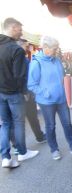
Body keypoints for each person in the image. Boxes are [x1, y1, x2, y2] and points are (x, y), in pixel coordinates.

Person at [27, 36, 72, 160]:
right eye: (54, 48)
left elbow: (62, 77)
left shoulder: (57, 60)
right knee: (50, 126)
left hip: (61, 99)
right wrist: (45, 92)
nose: (56, 50)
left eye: (57, 48)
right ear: (45, 48)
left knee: (67, 123)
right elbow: (31, 84)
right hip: (46, 101)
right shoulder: (36, 63)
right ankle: (54, 149)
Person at [0, 18, 39, 168]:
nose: (21, 32)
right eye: (20, 29)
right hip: (14, 93)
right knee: (18, 122)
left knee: (5, 124)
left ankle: (5, 157)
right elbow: (20, 75)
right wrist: (24, 91)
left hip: (0, 92)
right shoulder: (16, 49)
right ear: (13, 27)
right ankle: (22, 152)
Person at [16, 38, 46, 144]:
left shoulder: (12, 58)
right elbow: (26, 76)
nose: (27, 48)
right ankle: (40, 137)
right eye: (26, 46)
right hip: (26, 92)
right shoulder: (22, 59)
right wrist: (26, 92)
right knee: (31, 117)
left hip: (15, 93)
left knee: (18, 120)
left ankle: (18, 146)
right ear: (20, 45)